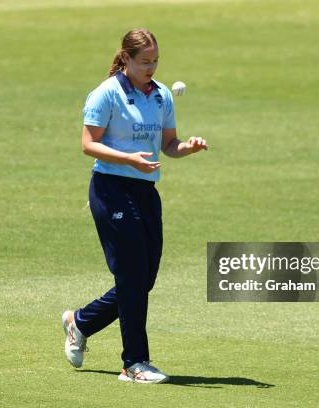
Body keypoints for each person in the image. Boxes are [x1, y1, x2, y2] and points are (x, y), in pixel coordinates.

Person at [62, 28, 208, 384]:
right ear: (125, 59)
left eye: (156, 61)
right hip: (111, 189)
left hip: (145, 190)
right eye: (145, 62)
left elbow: (168, 144)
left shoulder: (160, 97)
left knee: (143, 279)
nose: (152, 68)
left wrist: (186, 148)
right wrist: (128, 160)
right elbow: (87, 144)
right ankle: (134, 363)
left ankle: (80, 322)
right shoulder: (106, 93)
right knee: (131, 276)